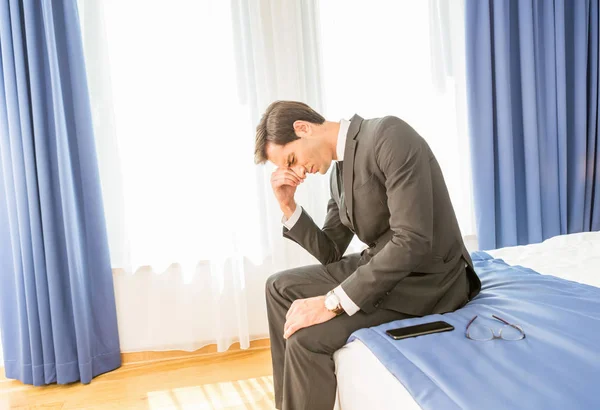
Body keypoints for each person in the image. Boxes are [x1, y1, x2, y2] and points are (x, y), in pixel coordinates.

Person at [254, 100, 481, 410]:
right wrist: (288, 207)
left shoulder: (388, 135)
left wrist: (332, 302)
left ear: (303, 128)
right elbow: (331, 251)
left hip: (427, 281)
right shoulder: (337, 176)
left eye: (292, 160)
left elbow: (412, 240)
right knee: (277, 287)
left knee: (305, 340)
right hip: (383, 267)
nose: (297, 174)